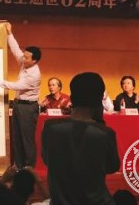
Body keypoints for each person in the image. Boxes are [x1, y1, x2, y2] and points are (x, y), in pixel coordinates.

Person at [41, 72, 120, 205]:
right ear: (100, 99)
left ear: (72, 98)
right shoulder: (105, 133)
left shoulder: (50, 128)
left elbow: (46, 160)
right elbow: (112, 167)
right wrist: (100, 123)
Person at [0, 22, 41, 168]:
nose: (23, 58)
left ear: (34, 61)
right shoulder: (25, 62)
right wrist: (9, 33)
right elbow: (15, 49)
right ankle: (18, 166)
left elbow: (17, 86)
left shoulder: (34, 74)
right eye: (24, 55)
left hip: (28, 108)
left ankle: (29, 168)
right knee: (16, 138)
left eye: (27, 57)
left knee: (26, 139)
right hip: (18, 105)